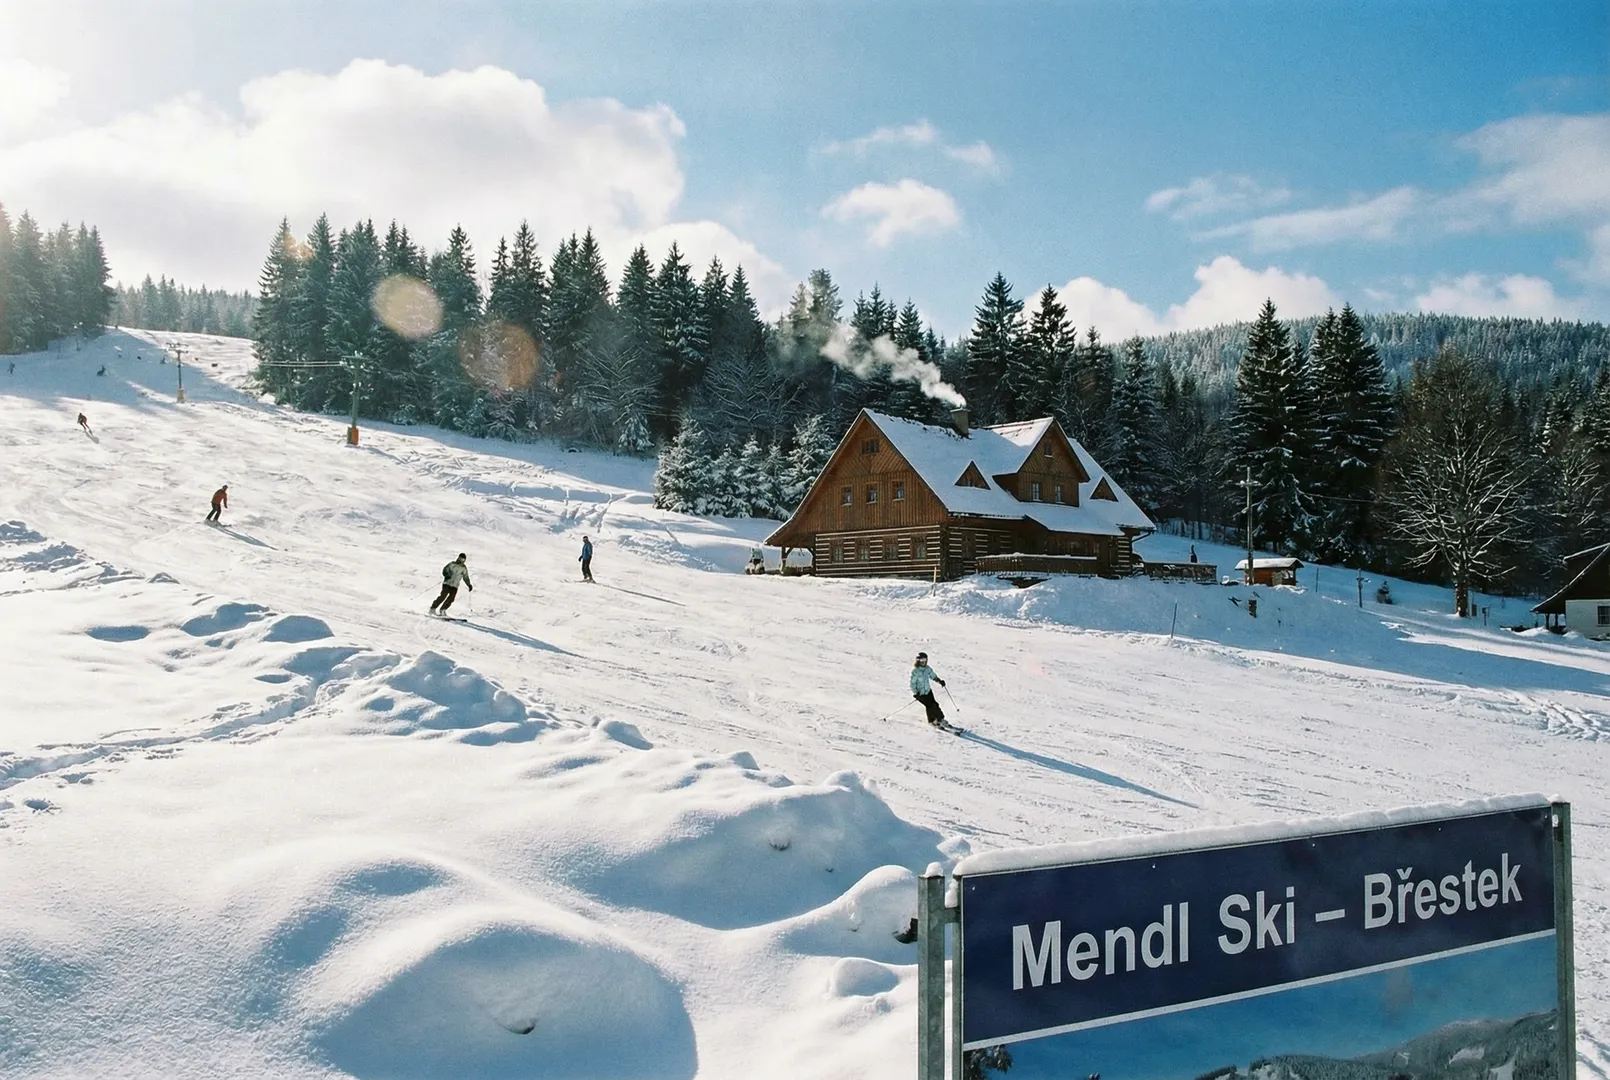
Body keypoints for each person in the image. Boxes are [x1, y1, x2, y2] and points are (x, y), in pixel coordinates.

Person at [910, 652, 949, 728]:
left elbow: (932, 675)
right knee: (930, 706)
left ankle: (937, 719)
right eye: (921, 660)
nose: (923, 661)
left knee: (935, 704)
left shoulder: (927, 669)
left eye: (925, 659)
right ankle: (936, 720)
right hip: (921, 694)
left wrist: (939, 681)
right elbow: (912, 684)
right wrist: (915, 693)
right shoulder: (915, 671)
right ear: (918, 661)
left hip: (928, 691)